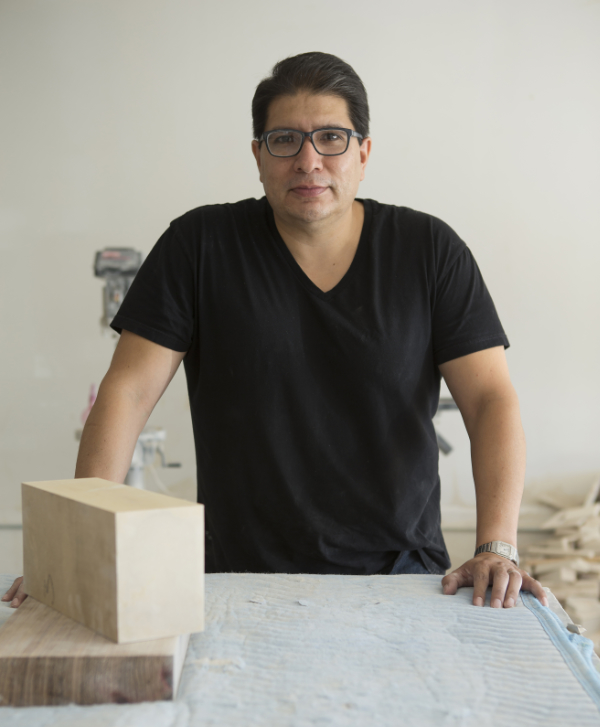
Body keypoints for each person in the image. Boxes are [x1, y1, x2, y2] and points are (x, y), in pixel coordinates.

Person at [3, 52, 546, 611]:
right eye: (285, 140)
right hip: (232, 583)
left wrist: (497, 546)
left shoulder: (430, 251)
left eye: (331, 138)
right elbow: (128, 392)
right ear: (258, 155)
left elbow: (489, 400)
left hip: (400, 580)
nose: (309, 161)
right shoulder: (199, 246)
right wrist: (78, 546)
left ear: (363, 152)